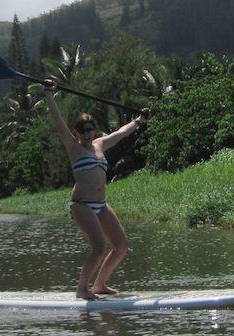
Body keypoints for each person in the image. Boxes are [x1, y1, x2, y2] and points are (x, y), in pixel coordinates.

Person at [43, 79, 150, 300]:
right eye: (82, 132)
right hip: (81, 205)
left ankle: (100, 285)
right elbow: (58, 121)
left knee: (121, 246)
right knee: (99, 247)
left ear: (95, 131)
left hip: (100, 205)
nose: (87, 135)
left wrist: (139, 121)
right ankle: (82, 289)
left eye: (90, 131)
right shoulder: (73, 147)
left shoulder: (100, 144)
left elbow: (121, 133)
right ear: (76, 132)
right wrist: (49, 95)